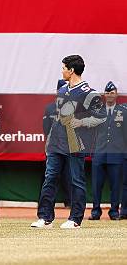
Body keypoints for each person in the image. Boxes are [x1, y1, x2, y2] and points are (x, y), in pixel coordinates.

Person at [31, 55, 104, 229]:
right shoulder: (62, 90)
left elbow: (101, 117)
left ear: (71, 70)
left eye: (64, 68)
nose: (62, 71)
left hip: (75, 142)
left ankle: (75, 219)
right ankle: (45, 217)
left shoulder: (89, 92)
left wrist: (81, 122)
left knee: (76, 180)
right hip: (56, 141)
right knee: (50, 177)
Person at [89, 82, 125, 220]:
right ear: (104, 95)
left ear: (116, 94)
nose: (109, 95)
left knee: (115, 186)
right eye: (107, 93)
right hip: (99, 153)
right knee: (96, 185)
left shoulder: (123, 112)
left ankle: (114, 212)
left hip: (116, 154)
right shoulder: (98, 112)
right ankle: (95, 212)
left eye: (112, 93)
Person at [41, 79, 72, 208]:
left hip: (70, 147)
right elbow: (46, 128)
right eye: (60, 90)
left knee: (71, 177)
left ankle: (70, 203)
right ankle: (46, 208)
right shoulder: (50, 108)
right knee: (51, 177)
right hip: (54, 147)